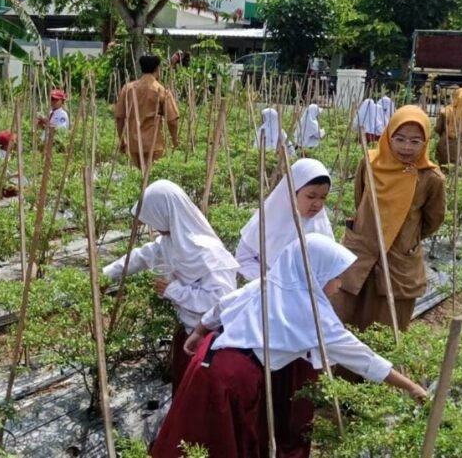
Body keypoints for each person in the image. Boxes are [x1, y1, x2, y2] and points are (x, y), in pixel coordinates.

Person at [151, 234, 428, 458]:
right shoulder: (314, 317)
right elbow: (364, 359)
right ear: (315, 273)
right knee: (223, 443)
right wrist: (411, 386)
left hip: (208, 358)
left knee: (192, 435)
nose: (339, 283)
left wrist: (199, 333)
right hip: (234, 378)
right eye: (335, 276)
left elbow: (222, 307)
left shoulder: (270, 282)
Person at [102, 180, 237, 394]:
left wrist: (173, 290)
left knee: (199, 400)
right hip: (189, 332)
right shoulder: (171, 241)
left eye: (153, 219)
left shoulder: (207, 252)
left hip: (211, 340)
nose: (153, 226)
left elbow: (222, 300)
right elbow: (143, 256)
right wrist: (106, 275)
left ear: (165, 213)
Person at [333, 106, 446, 333]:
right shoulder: (370, 163)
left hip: (398, 260)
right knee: (344, 320)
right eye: (400, 138)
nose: (406, 147)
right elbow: (360, 199)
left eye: (415, 141)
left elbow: (433, 220)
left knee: (384, 327)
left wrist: (405, 237)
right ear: (388, 135)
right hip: (361, 252)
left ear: (425, 143)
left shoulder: (431, 178)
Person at [235, 158, 334, 282]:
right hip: (267, 293)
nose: (318, 204)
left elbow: (329, 268)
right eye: (311, 196)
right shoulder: (267, 220)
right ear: (291, 192)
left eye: (323, 197)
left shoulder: (321, 227)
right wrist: (271, 281)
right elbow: (243, 259)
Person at [114, 54, 180, 169]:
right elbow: (172, 120)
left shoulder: (128, 89)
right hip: (154, 145)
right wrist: (175, 141)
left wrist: (122, 141)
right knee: (153, 177)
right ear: (157, 69)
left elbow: (119, 118)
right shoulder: (161, 90)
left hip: (134, 145)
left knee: (137, 179)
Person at [434, 88, 462, 166]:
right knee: (461, 175)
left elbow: (438, 128)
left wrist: (444, 134)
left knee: (443, 172)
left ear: (456, 97)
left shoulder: (445, 111)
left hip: (445, 147)